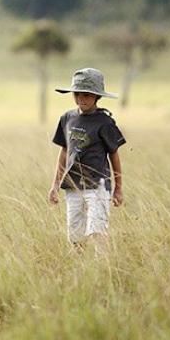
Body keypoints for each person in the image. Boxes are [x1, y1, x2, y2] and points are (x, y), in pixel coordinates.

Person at [46, 68, 125, 250]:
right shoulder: (67, 118)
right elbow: (65, 151)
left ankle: (102, 267)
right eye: (78, 94)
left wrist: (118, 189)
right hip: (72, 184)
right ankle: (80, 267)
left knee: (97, 230)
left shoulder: (105, 122)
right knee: (75, 233)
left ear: (97, 96)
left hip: (97, 185)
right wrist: (55, 185)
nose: (82, 99)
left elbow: (114, 154)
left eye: (87, 95)